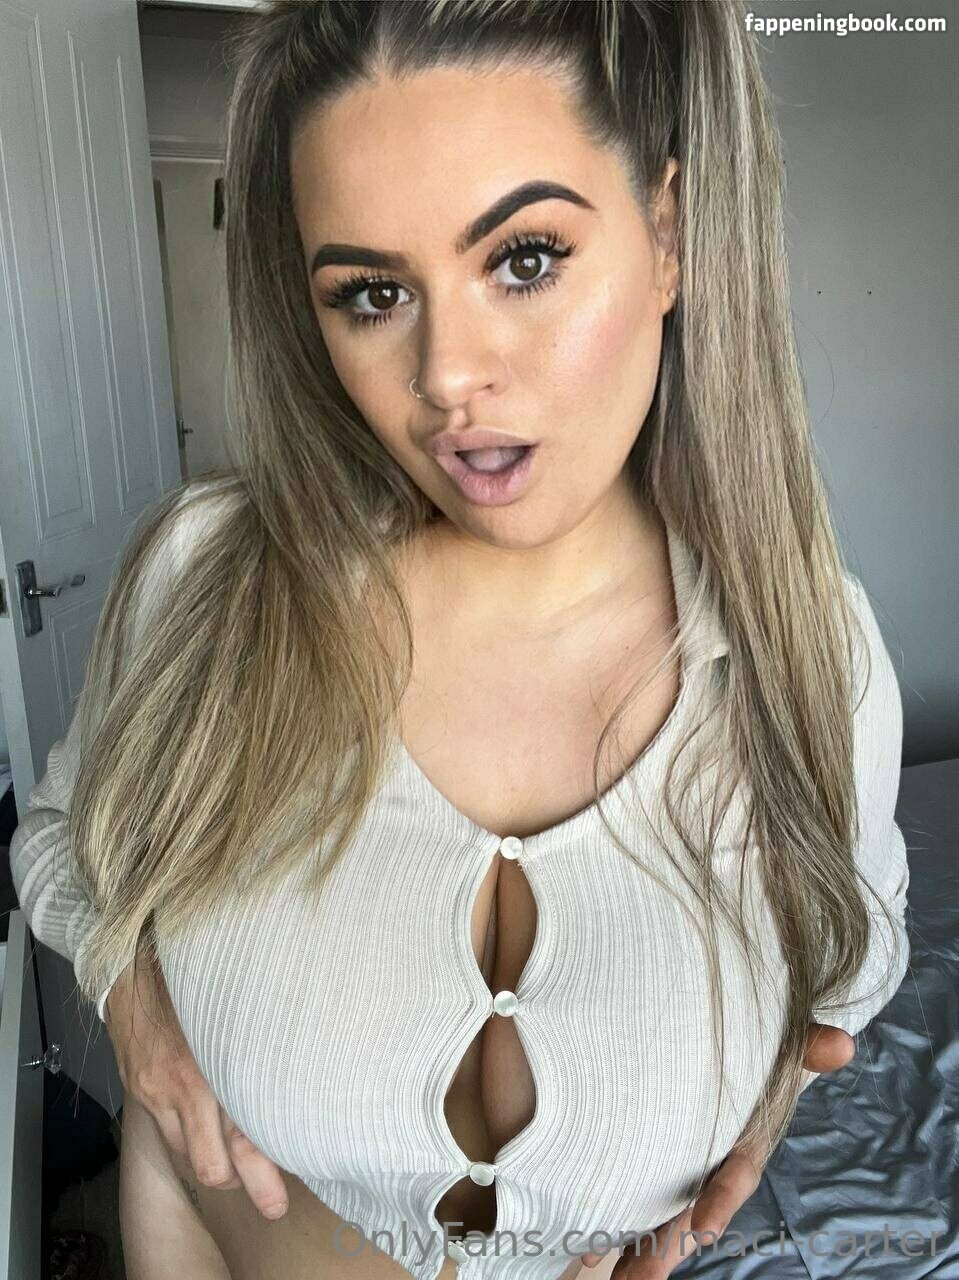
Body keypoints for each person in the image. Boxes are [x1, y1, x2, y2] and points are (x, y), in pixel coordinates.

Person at [9, 3, 910, 1279]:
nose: (445, 373)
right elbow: (62, 838)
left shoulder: (807, 652)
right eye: (372, 293)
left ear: (666, 234)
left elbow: (858, 946)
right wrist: (132, 1001)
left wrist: (774, 1084)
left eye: (524, 259)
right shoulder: (208, 583)